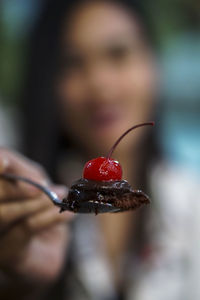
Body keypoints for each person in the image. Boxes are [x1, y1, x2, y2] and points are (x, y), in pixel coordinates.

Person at [1, 1, 198, 299]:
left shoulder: (191, 207)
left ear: (153, 64)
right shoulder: (34, 207)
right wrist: (21, 282)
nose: (100, 85)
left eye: (118, 54)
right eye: (72, 63)